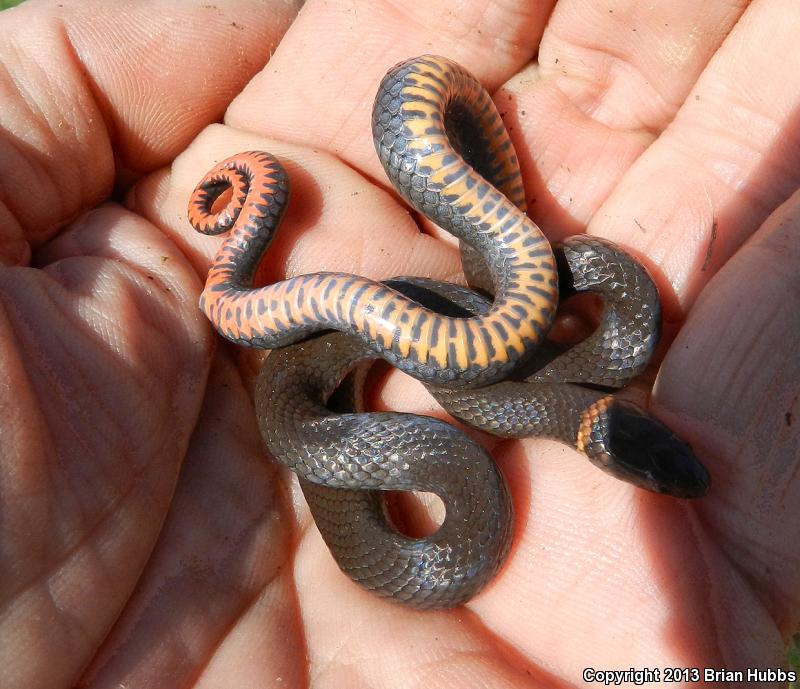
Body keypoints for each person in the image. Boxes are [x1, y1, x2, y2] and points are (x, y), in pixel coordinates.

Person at [1, 0, 797, 687]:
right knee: (460, 340)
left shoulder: (560, 372)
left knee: (462, 354)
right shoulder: (532, 364)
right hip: (433, 338)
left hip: (445, 343)